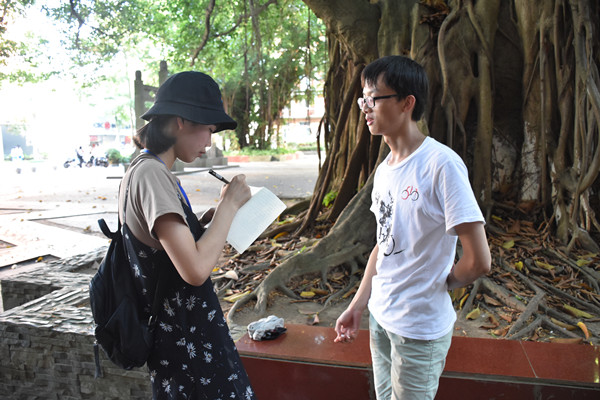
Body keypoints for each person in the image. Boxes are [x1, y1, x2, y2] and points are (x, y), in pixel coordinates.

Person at [334, 56, 491, 400]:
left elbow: (479, 261)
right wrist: (358, 305)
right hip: (380, 318)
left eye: (374, 98)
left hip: (418, 330)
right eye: (363, 99)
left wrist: (443, 283)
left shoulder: (441, 165)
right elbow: (383, 244)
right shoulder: (384, 170)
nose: (366, 108)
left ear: (407, 103)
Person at [120, 71, 256, 399]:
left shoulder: (147, 169)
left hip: (185, 341)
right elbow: (194, 270)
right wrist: (228, 205)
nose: (209, 142)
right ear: (181, 121)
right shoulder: (152, 174)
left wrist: (207, 219)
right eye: (208, 129)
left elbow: (171, 247)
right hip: (188, 348)